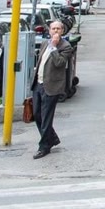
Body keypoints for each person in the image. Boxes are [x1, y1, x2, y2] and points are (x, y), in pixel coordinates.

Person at [30, 20, 74, 159]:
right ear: (49, 31)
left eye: (58, 29)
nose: (55, 31)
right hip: (38, 84)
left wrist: (54, 47)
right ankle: (52, 138)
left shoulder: (66, 46)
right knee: (37, 114)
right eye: (53, 28)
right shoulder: (45, 43)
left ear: (62, 31)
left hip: (52, 86)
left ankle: (44, 146)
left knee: (46, 118)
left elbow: (60, 63)